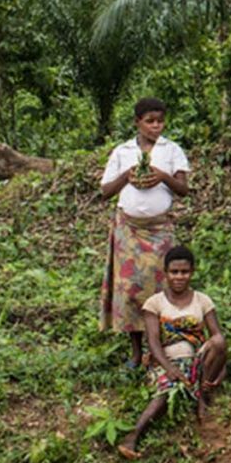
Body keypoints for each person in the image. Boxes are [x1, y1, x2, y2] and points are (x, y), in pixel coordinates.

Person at [99, 97, 191, 370]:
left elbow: (184, 189)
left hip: (160, 231)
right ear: (137, 122)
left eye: (160, 121)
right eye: (150, 121)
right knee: (130, 292)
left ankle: (160, 349)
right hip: (129, 230)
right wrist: (127, 176)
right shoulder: (123, 151)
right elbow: (105, 191)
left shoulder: (171, 150)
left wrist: (163, 176)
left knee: (163, 289)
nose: (156, 126)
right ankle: (137, 351)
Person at [119, 246, 227, 459]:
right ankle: (133, 435)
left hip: (198, 360)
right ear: (166, 273)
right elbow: (153, 342)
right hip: (166, 361)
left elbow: (217, 337)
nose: (179, 277)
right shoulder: (155, 302)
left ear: (192, 272)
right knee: (167, 391)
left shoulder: (202, 300)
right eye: (174, 272)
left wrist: (220, 370)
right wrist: (170, 369)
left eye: (184, 272)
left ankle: (202, 398)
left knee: (219, 342)